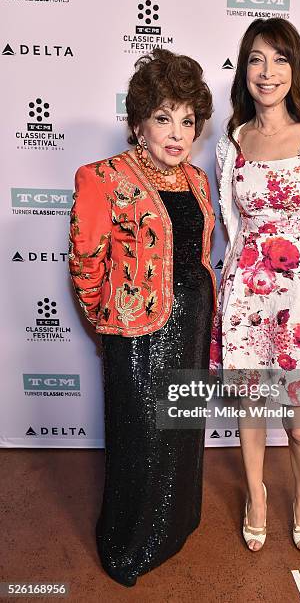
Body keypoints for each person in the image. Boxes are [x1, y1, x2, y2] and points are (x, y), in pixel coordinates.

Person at [68, 49, 216, 586]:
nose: (176, 133)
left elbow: (196, 255)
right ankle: (130, 543)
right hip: (137, 331)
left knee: (181, 431)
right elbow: (86, 264)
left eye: (187, 121)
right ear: (138, 122)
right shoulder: (101, 177)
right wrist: (108, 322)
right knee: (140, 439)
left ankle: (177, 524)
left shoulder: (198, 180)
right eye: (163, 118)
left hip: (193, 323)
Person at [210, 18, 300, 553]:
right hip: (248, 291)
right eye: (256, 59)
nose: (267, 73)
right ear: (244, 70)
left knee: (297, 423)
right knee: (251, 410)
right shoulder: (232, 141)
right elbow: (233, 220)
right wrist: (240, 278)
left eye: (280, 59)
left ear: (297, 69)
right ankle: (255, 495)